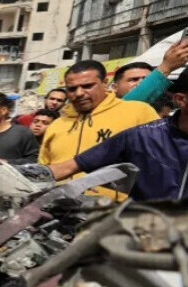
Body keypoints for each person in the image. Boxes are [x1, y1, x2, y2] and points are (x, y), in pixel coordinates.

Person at [44, 68, 188, 201]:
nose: (79, 93)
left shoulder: (139, 112)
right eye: (72, 88)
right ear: (180, 99)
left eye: (87, 86)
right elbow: (67, 167)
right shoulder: (141, 136)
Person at [111, 40, 188, 104]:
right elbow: (129, 106)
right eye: (134, 79)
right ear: (115, 87)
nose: (142, 83)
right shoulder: (108, 110)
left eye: (147, 79)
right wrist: (166, 67)